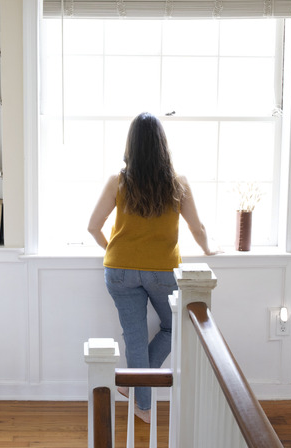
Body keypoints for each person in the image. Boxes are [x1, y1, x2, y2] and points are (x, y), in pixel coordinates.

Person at [87, 112, 219, 423]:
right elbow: (197, 228)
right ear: (163, 145)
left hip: (119, 271)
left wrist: (116, 252)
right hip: (162, 272)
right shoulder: (177, 183)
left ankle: (141, 402)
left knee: (133, 337)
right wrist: (208, 249)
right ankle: (140, 394)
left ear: (130, 145)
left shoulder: (118, 182)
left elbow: (93, 227)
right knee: (174, 327)